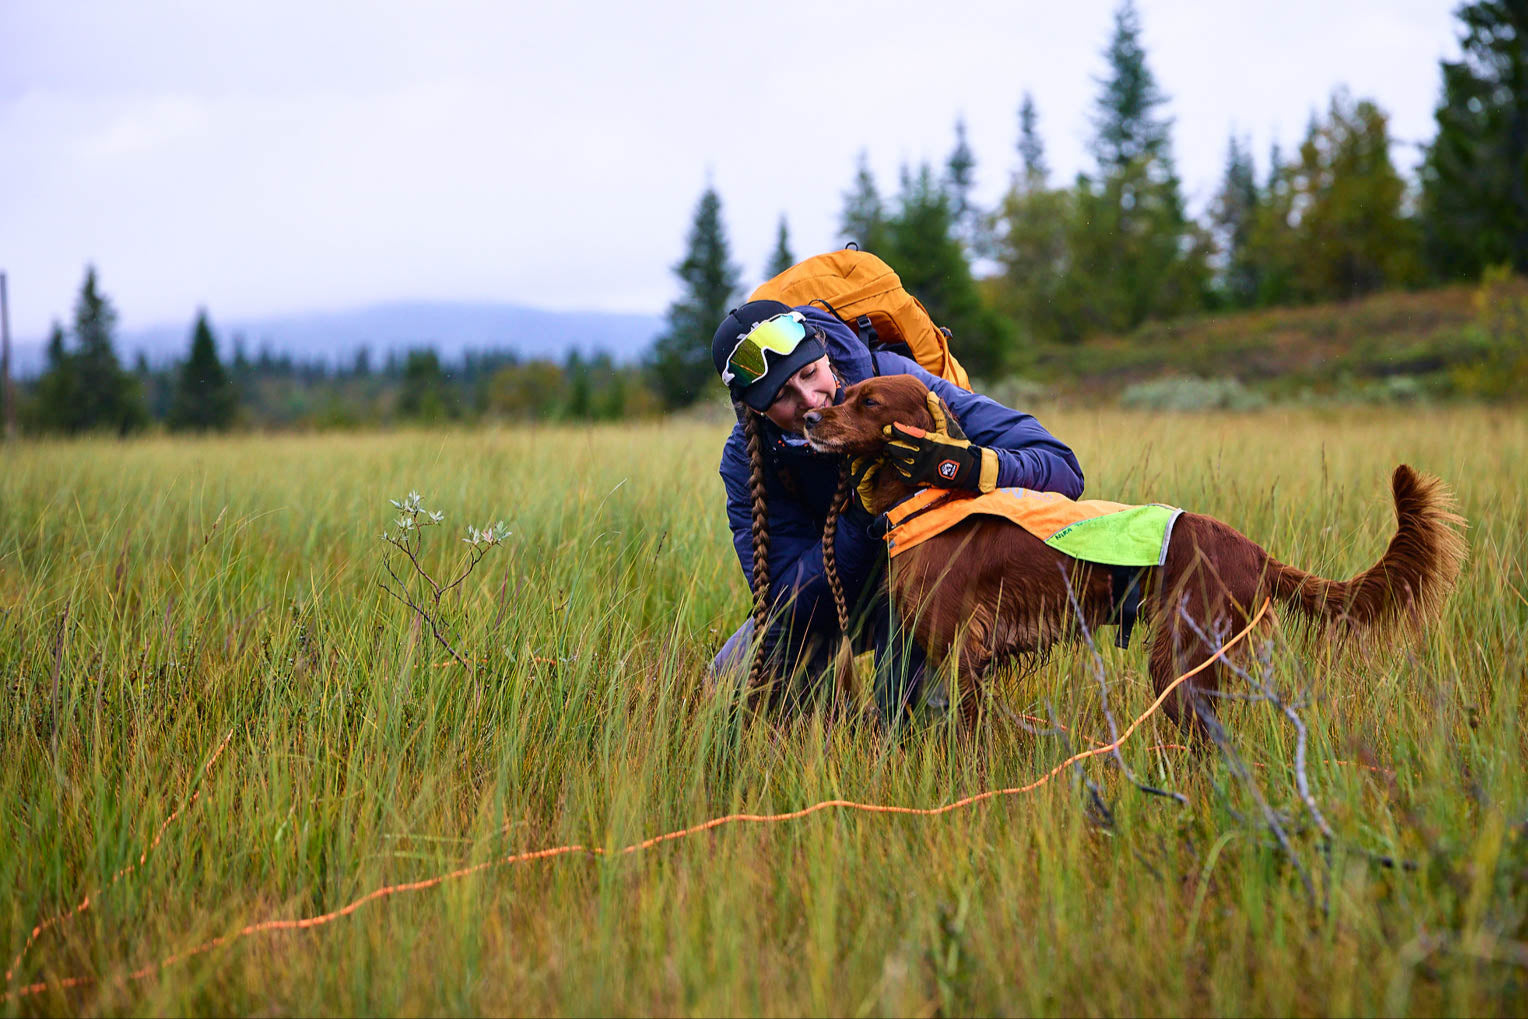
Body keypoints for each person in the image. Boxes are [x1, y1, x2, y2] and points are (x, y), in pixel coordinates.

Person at [709, 298, 1084, 720]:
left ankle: (930, 739)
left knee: (915, 715)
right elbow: (790, 601)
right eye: (783, 396)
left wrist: (960, 464)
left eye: (810, 373)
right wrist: (868, 515)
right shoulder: (747, 460)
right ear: (756, 409)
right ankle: (833, 738)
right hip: (841, 596)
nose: (810, 400)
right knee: (732, 681)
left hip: (933, 578)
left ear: (823, 352)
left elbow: (1063, 470)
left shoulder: (901, 385)